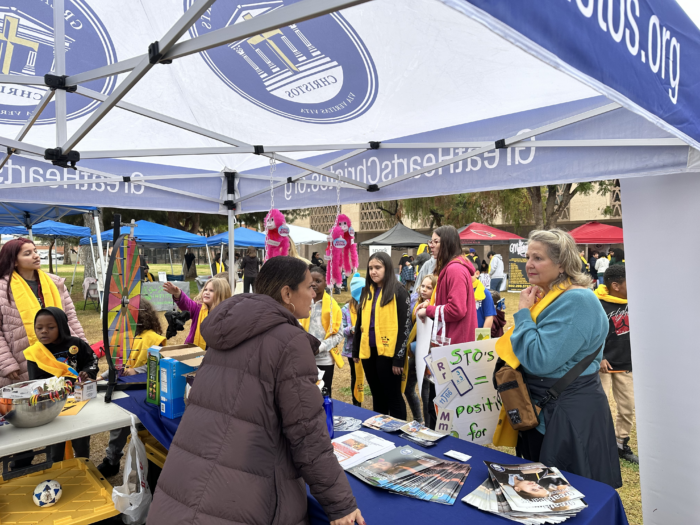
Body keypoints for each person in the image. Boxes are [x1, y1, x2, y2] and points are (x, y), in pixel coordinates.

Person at [148, 256, 364, 525]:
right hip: (241, 497)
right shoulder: (290, 341)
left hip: (187, 488)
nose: (313, 293)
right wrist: (340, 503)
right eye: (309, 287)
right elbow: (307, 436)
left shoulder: (231, 327)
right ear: (287, 293)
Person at [497, 229, 621, 488]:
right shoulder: (554, 296)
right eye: (528, 256)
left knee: (563, 489)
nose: (529, 264)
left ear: (562, 263)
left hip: (565, 413)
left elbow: (538, 360)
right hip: (549, 407)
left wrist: (522, 314)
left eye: (538, 258)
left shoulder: (577, 299)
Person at [0, 238, 86, 387]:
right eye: (28, 253)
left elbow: (70, 318)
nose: (36, 256)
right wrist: (6, 362)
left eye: (35, 251)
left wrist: (84, 348)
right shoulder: (3, 289)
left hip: (62, 356)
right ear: (14, 261)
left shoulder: (55, 283)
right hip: (22, 360)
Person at [97, 299, 166, 477]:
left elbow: (155, 364)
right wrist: (102, 377)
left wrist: (136, 370)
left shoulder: (152, 338)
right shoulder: (124, 337)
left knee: (143, 429)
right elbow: (117, 365)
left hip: (143, 392)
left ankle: (143, 465)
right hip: (124, 390)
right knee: (118, 428)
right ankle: (112, 460)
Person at [23, 308, 98, 464]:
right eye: (39, 328)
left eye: (51, 327)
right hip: (53, 406)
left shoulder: (76, 344)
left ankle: (84, 467)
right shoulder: (35, 353)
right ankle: (57, 470)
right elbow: (36, 382)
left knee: (81, 440)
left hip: (79, 401)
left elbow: (92, 360)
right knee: (55, 445)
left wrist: (86, 373)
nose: (44, 331)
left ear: (62, 326)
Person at [352, 251, 410, 419]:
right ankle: (381, 431)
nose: (373, 272)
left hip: (389, 353)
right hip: (368, 350)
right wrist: (356, 350)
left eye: (378, 267)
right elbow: (360, 322)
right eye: (370, 268)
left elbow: (405, 327)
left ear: (387, 268)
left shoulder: (399, 291)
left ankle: (399, 433)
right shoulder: (366, 291)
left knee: (393, 395)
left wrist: (399, 358)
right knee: (377, 394)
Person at [596, 265, 638, 464]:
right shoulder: (598, 304)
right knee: (600, 406)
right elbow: (592, 334)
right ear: (615, 285)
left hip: (626, 363)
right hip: (603, 365)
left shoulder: (637, 302)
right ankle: (600, 444)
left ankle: (621, 443)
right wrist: (600, 356)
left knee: (628, 406)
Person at [417, 226, 478, 346]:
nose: (431, 245)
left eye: (436, 241)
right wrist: (430, 304)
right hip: (453, 341)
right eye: (431, 241)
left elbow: (456, 310)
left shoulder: (455, 270)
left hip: (456, 344)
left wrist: (428, 310)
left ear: (447, 243)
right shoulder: (452, 267)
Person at [300, 265, 344, 397]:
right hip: (303, 357)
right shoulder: (301, 303)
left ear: (326, 283)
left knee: (323, 394)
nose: (313, 284)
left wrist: (321, 347)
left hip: (324, 359)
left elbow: (339, 334)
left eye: (318, 281)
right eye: (310, 281)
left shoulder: (333, 306)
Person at [163, 278, 231, 350]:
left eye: (211, 290)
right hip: (194, 348)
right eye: (205, 289)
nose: (207, 292)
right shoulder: (198, 307)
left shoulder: (226, 313)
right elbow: (187, 304)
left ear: (221, 294)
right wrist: (178, 294)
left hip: (214, 351)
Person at [407, 274, 438, 427]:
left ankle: (426, 425)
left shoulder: (432, 308)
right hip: (416, 353)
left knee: (425, 392)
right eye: (423, 286)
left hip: (427, 355)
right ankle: (420, 420)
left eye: (429, 287)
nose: (424, 289)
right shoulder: (416, 302)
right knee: (411, 388)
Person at [341, 273, 365, 407]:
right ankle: (356, 403)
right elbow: (342, 330)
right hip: (352, 350)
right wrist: (352, 329)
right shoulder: (345, 309)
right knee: (355, 376)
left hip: (367, 348)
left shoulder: (368, 307)